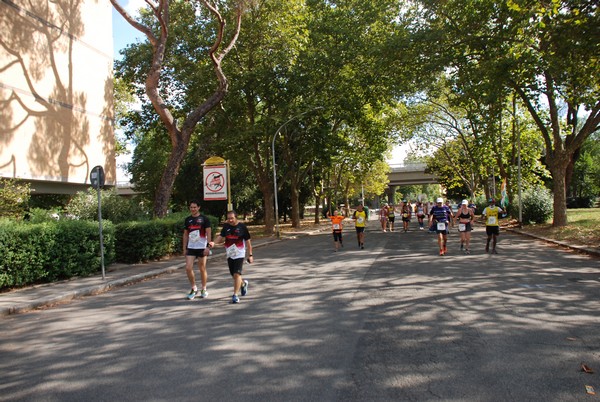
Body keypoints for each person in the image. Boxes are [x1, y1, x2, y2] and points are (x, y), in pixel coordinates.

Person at [210, 210, 253, 304]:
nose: (230, 220)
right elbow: (220, 236)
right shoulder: (226, 227)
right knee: (234, 275)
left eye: (232, 218)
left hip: (240, 253)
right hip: (230, 254)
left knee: (237, 274)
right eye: (228, 218)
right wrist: (214, 242)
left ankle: (235, 295)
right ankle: (243, 284)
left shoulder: (242, 227)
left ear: (236, 217)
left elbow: (248, 241)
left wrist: (250, 255)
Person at [182, 200, 212, 300]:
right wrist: (184, 247)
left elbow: (208, 233)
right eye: (191, 207)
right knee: (188, 268)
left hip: (202, 247)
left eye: (195, 207)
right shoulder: (188, 220)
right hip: (191, 247)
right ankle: (194, 288)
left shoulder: (204, 219)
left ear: (198, 208)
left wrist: (208, 246)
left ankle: (204, 288)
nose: (193, 209)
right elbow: (185, 234)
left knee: (202, 268)